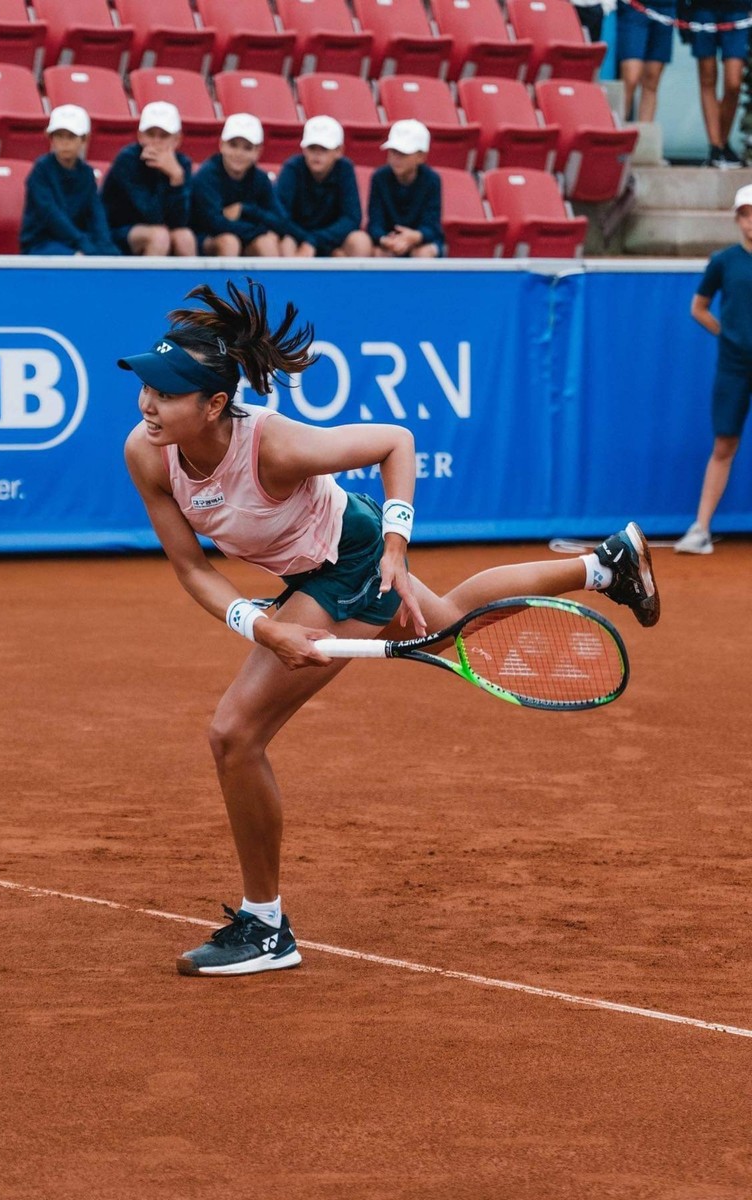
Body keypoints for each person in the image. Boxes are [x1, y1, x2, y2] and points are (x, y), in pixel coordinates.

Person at [120, 278, 661, 977]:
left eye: (165, 393)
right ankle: (604, 565)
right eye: (146, 387)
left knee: (234, 733)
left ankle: (264, 927)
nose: (147, 404)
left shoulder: (274, 446)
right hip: (305, 570)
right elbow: (192, 569)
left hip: (347, 560)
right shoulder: (147, 450)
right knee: (451, 629)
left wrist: (397, 554)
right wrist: (262, 627)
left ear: (215, 403)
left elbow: (395, 442)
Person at [675, 184, 752, 553]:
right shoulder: (724, 261)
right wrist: (729, 336)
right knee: (724, 444)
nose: (751, 221)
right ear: (738, 219)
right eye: (746, 214)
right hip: (734, 366)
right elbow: (699, 307)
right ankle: (701, 530)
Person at [100, 101, 196, 257]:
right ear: (140, 136)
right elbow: (151, 215)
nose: (156, 141)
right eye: (150, 134)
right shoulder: (127, 160)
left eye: (164, 136)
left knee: (185, 237)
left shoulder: (181, 165)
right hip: (116, 233)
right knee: (159, 236)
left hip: (157, 229)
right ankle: (149, 282)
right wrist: (166, 173)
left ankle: (190, 282)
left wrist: (176, 179)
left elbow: (181, 222)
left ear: (177, 139)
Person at [190, 113, 293, 257]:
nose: (239, 153)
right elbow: (214, 223)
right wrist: (258, 229)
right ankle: (224, 280)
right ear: (222, 145)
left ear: (258, 151)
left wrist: (245, 209)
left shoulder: (261, 179)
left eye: (247, 148)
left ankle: (272, 281)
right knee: (230, 242)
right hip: (206, 238)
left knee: (268, 242)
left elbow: (282, 222)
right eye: (233, 145)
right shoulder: (206, 176)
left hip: (244, 235)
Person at [20, 104, 117, 257]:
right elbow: (50, 215)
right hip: (41, 243)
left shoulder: (86, 173)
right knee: (79, 259)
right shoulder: (41, 171)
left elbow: (95, 213)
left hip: (76, 240)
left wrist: (106, 246)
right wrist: (82, 243)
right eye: (59, 136)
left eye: (71, 137)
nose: (64, 143)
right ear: (50, 138)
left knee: (111, 256)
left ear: (84, 139)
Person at [275, 115, 373, 259]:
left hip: (332, 238)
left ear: (339, 151)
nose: (317, 154)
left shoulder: (345, 169)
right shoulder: (292, 168)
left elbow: (352, 218)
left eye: (324, 149)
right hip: (297, 236)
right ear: (304, 149)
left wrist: (315, 240)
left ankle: (351, 282)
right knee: (286, 242)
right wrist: (306, 239)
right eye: (312, 148)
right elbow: (280, 216)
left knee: (360, 241)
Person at [678, 0, 748, 165]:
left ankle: (723, 141)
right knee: (707, 77)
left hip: (738, 10)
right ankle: (715, 146)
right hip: (703, 9)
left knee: (733, 83)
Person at [367, 119, 445, 258]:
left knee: (424, 253)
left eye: (403, 153)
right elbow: (374, 223)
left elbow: (432, 226)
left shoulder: (432, 180)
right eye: (393, 151)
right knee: (378, 253)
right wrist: (385, 240)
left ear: (421, 157)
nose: (396, 158)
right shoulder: (379, 177)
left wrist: (415, 237)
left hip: (422, 241)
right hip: (388, 242)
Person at [615, 0, 675, 123]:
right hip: (633, 8)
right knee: (630, 77)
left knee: (652, 78)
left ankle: (644, 134)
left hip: (665, 9)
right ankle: (619, 128)